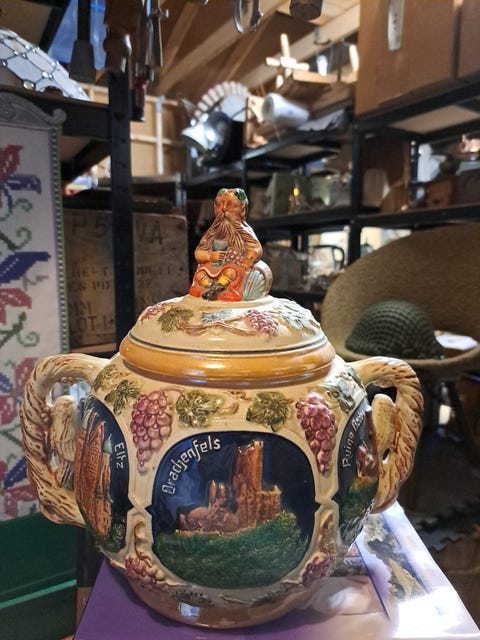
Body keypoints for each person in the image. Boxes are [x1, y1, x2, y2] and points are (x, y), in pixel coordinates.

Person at [189, 188, 271, 301]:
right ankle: (209, 288)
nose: (223, 209)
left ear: (242, 210)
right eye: (219, 205)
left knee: (230, 273)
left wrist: (248, 259)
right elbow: (199, 252)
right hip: (213, 267)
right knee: (200, 274)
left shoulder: (245, 231)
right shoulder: (212, 233)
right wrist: (209, 256)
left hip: (233, 266)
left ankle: (220, 289)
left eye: (231, 205)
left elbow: (256, 248)